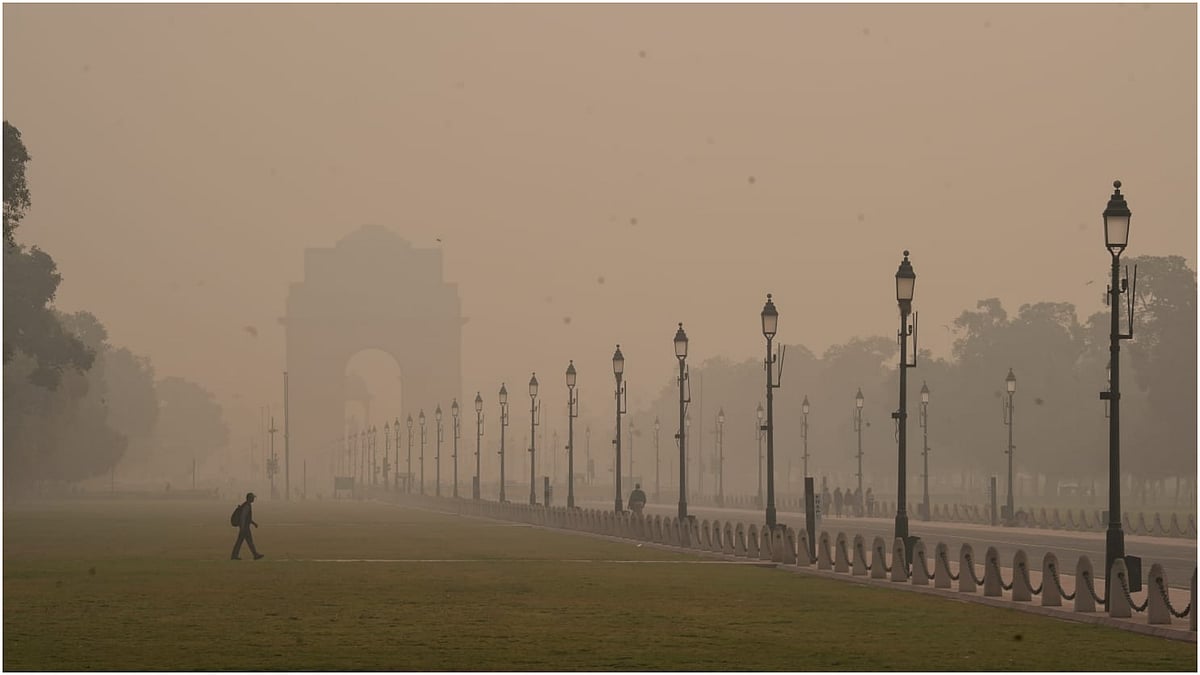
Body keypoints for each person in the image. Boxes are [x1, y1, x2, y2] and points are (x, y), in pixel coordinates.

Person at [231, 492, 264, 560]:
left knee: (241, 542)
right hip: (245, 528)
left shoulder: (246, 505)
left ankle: (234, 555)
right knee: (248, 541)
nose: (253, 499)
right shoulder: (247, 506)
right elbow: (243, 517)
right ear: (250, 498)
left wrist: (253, 523)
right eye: (252, 498)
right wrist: (242, 527)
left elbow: (247, 518)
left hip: (244, 527)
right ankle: (255, 554)